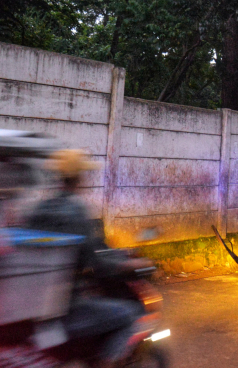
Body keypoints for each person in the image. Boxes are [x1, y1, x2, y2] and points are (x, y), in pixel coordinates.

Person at [26, 149, 147, 368]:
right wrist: (129, 264)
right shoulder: (76, 211)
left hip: (34, 307)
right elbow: (96, 263)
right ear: (80, 178)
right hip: (67, 307)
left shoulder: (38, 210)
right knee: (131, 313)